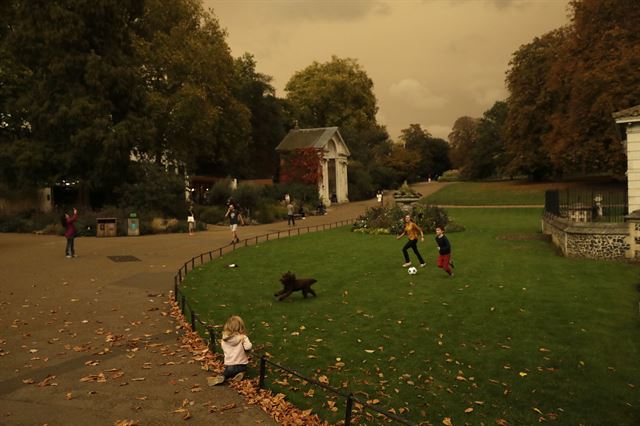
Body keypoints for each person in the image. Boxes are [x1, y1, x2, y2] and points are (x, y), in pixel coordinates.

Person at [209, 315, 252, 385]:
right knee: (244, 370)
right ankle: (240, 374)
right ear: (241, 327)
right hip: (241, 364)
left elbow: (223, 348)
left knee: (228, 372)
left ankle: (223, 376)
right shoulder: (243, 337)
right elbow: (248, 347)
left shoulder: (225, 339)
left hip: (229, 365)